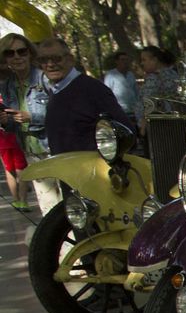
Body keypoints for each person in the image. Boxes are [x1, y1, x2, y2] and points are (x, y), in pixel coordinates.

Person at [33, 37, 135, 154]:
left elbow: (127, 133)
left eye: (56, 59)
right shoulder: (55, 90)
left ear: (70, 59)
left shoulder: (93, 89)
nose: (50, 64)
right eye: (43, 60)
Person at [2, 32, 52, 211]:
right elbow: (11, 125)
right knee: (48, 208)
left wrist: (32, 117)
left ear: (30, 53)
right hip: (31, 152)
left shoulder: (45, 78)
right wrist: (6, 121)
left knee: (69, 208)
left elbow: (62, 115)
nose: (16, 57)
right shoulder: (7, 85)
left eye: (21, 51)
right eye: (10, 53)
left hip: (53, 150)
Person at [138, 45, 181, 121]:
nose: (142, 63)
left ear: (154, 60)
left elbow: (148, 103)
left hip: (156, 124)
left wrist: (143, 124)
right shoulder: (173, 73)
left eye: (144, 60)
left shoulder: (154, 77)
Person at [103, 50, 142, 124]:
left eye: (127, 60)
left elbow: (136, 91)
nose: (125, 62)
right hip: (120, 111)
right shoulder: (110, 75)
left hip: (133, 110)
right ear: (117, 61)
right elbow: (107, 94)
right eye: (122, 59)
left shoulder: (130, 74)